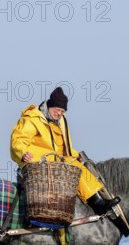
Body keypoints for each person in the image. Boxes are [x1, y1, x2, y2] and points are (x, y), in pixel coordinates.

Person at [10, 87, 120, 215]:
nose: (59, 113)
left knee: (78, 165)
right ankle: (97, 204)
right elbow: (17, 140)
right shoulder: (32, 119)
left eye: (62, 111)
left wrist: (75, 155)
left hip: (57, 164)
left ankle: (97, 201)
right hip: (37, 164)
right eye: (57, 110)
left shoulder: (61, 121)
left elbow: (63, 147)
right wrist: (23, 153)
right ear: (50, 106)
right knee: (72, 165)